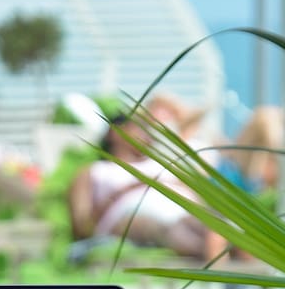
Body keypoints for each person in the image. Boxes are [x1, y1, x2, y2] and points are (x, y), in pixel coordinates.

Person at [66, 109, 224, 263]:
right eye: (139, 126)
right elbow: (81, 226)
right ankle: (216, 255)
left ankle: (218, 247)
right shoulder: (95, 171)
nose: (147, 133)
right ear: (115, 132)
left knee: (209, 223)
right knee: (161, 227)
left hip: (184, 213)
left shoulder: (163, 165)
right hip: (127, 218)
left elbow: (195, 196)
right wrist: (125, 191)